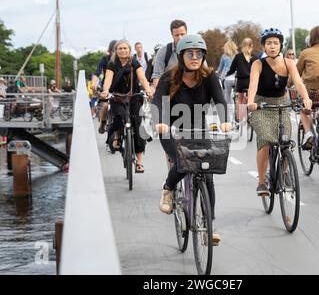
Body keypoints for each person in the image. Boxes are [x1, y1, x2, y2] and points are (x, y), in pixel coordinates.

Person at [152, 34, 232, 244]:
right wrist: (160, 122)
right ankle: (168, 189)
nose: (195, 57)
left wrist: (225, 121)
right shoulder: (169, 78)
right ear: (181, 56)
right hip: (171, 129)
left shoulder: (209, 77)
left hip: (198, 129)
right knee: (183, 160)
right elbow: (158, 103)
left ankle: (209, 224)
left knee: (208, 175)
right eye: (190, 54)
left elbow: (220, 101)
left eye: (199, 54)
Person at [247, 28, 312, 196]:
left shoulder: (289, 63)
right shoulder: (258, 64)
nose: (272, 46)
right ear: (263, 47)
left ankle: (283, 172)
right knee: (266, 141)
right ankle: (262, 181)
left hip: (281, 106)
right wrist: (251, 102)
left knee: (286, 141)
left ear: (281, 45)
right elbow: (253, 84)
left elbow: (298, 82)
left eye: (276, 43)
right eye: (269, 43)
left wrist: (305, 98)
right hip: (261, 106)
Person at [100, 40, 154, 172]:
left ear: (130, 50)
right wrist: (106, 90)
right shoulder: (112, 64)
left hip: (133, 97)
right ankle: (117, 137)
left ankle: (139, 162)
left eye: (125, 48)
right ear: (116, 51)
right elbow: (108, 79)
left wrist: (147, 89)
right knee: (118, 117)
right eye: (120, 48)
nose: (123, 50)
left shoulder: (134, 62)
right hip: (117, 97)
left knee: (138, 126)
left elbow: (142, 78)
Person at [226, 38, 257, 124]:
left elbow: (232, 69)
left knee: (240, 100)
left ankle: (241, 119)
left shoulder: (238, 57)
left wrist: (227, 74)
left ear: (242, 45)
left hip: (241, 83)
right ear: (251, 46)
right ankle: (251, 116)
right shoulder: (255, 57)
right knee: (251, 99)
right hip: (251, 83)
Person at [151, 20, 188, 87]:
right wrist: (158, 96)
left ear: (187, 33)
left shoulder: (195, 50)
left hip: (191, 92)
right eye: (176, 35)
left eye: (182, 34)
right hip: (169, 93)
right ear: (172, 35)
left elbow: (205, 73)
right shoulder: (163, 52)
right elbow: (157, 76)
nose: (180, 38)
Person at [93, 40, 117, 134]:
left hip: (119, 87)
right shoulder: (105, 59)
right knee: (106, 105)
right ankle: (103, 123)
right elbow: (97, 73)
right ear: (110, 50)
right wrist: (94, 84)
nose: (115, 53)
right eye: (113, 50)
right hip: (106, 87)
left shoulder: (123, 59)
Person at [216, 40, 238, 107]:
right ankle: (239, 114)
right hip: (236, 78)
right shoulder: (238, 56)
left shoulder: (224, 56)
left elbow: (220, 68)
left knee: (227, 96)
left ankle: (226, 114)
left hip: (227, 78)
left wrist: (217, 75)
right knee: (238, 97)